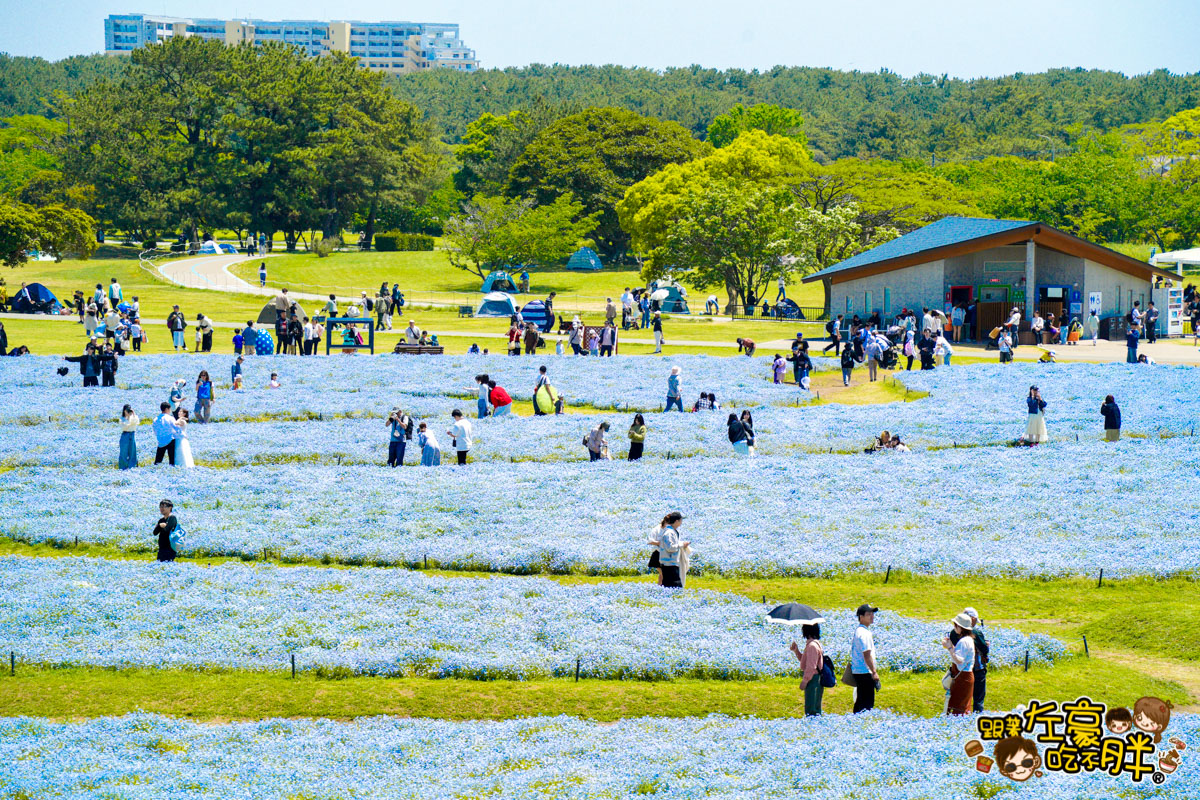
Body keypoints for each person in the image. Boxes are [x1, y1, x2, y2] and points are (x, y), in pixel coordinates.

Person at [942, 611, 976, 716]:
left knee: (958, 708)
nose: (954, 627)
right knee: (962, 707)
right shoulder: (968, 639)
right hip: (964, 676)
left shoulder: (964, 641)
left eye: (955, 625)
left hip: (962, 677)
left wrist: (949, 647)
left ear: (960, 627)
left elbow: (959, 660)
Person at [849, 603, 881, 713]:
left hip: (859, 671)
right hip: (864, 672)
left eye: (872, 614)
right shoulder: (864, 633)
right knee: (866, 702)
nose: (872, 616)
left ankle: (857, 721)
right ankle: (861, 722)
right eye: (868, 614)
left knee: (860, 700)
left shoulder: (859, 631)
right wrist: (874, 672)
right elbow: (867, 655)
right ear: (861, 617)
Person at [791, 622, 824, 716]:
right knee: (813, 708)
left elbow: (811, 667)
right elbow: (805, 661)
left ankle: (813, 728)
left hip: (813, 679)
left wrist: (804, 681)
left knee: (812, 709)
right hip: (814, 678)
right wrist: (796, 651)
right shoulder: (812, 645)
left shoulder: (812, 646)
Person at [963, 607, 989, 713]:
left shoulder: (955, 631)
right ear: (972, 618)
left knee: (963, 698)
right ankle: (977, 719)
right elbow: (984, 649)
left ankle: (960, 720)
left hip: (961, 669)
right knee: (978, 699)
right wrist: (987, 646)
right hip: (977, 668)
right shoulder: (975, 632)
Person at [656, 512, 689, 588]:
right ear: (677, 521)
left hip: (670, 562)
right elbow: (670, 548)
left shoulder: (671, 531)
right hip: (669, 563)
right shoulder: (669, 533)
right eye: (681, 520)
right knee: (674, 585)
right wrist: (682, 544)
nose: (681, 522)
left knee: (670, 585)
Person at [118, 404, 138, 469]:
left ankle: (132, 466)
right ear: (124, 411)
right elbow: (125, 426)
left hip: (132, 434)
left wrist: (133, 414)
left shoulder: (134, 417)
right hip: (125, 435)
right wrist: (128, 417)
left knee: (132, 451)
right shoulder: (121, 419)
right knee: (123, 452)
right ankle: (123, 467)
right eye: (127, 410)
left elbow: (137, 422)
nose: (129, 411)